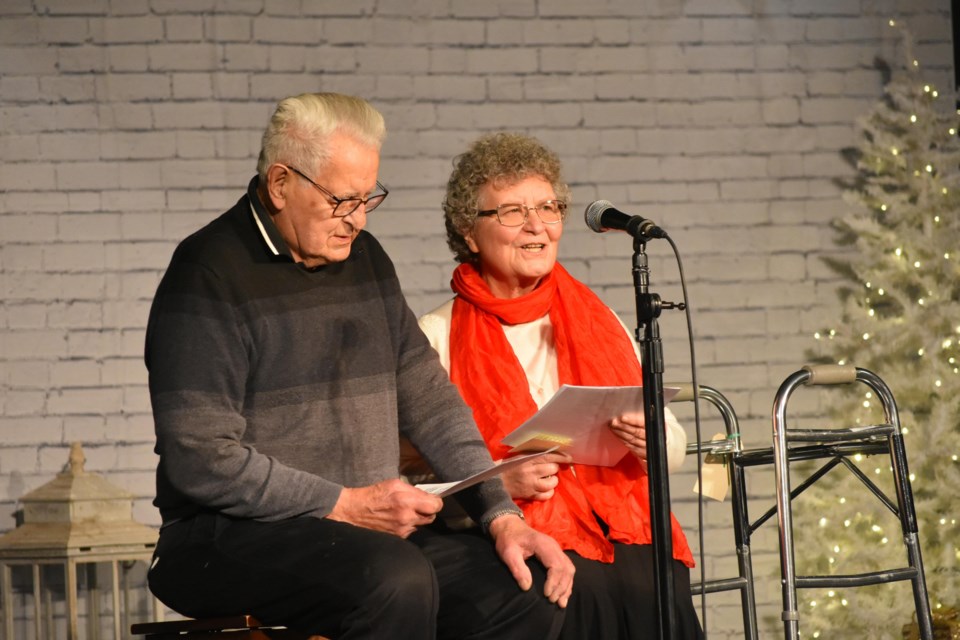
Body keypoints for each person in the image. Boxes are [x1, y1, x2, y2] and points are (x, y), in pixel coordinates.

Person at [144, 94, 574, 640]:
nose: (359, 218)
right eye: (343, 200)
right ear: (280, 184)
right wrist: (344, 504)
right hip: (223, 536)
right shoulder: (207, 274)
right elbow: (200, 459)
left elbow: (432, 402)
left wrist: (500, 515)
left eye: (369, 197)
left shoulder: (366, 261)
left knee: (521, 586)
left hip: (359, 530)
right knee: (394, 578)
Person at [414, 132, 703, 639]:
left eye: (549, 207)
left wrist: (649, 438)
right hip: (499, 535)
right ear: (468, 230)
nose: (537, 226)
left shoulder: (602, 322)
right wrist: (495, 485)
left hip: (613, 521)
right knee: (571, 587)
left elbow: (674, 447)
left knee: (654, 580)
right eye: (511, 212)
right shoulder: (434, 336)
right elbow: (410, 484)